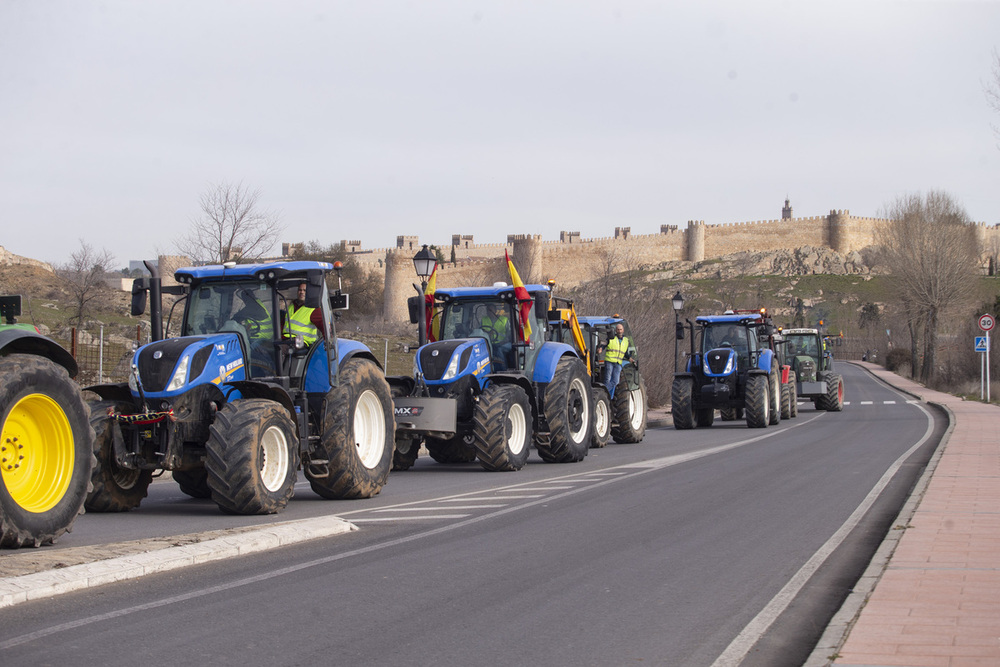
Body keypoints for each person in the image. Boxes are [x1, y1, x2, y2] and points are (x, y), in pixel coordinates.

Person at [598, 323, 633, 399]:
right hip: (609, 361)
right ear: (615, 331)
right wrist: (601, 348)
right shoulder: (611, 338)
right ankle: (606, 395)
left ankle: (603, 393)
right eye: (618, 329)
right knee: (607, 379)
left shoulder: (626, 341)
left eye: (620, 329)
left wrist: (630, 358)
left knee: (616, 381)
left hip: (618, 363)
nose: (619, 331)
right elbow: (604, 344)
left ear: (623, 330)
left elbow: (625, 353)